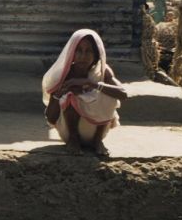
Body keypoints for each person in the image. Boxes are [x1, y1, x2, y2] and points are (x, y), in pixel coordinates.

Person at [42, 29, 127, 158]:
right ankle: (74, 140)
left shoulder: (102, 72)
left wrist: (91, 84)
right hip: (68, 132)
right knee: (71, 96)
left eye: (89, 51)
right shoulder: (64, 74)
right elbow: (51, 118)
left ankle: (97, 141)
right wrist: (58, 95)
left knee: (109, 94)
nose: (83, 56)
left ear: (96, 54)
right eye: (79, 51)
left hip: (95, 129)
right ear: (72, 52)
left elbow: (123, 94)